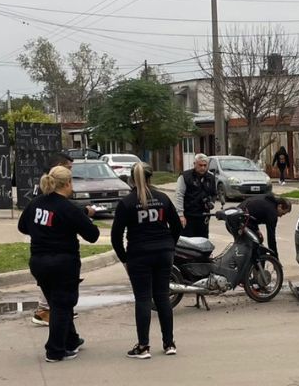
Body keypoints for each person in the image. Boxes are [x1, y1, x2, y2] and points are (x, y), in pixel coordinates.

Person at [17, 166, 100, 363]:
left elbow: (22, 226)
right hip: (63, 263)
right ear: (68, 183)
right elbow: (93, 235)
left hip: (39, 261)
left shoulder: (36, 203)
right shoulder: (68, 208)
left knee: (58, 303)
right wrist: (87, 216)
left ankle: (71, 340)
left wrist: (41, 231)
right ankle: (55, 350)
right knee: (62, 305)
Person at [112, 162, 181, 360]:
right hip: (163, 252)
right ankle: (169, 343)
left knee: (143, 299)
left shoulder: (126, 202)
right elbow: (176, 226)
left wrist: (124, 259)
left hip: (138, 254)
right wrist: (170, 245)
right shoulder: (162, 198)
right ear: (151, 177)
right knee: (162, 297)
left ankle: (143, 346)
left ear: (132, 179)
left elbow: (116, 236)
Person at [32, 153, 75, 327]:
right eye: (69, 169)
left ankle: (67, 335)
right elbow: (92, 234)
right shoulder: (54, 202)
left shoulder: (42, 202)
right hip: (53, 253)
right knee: (53, 286)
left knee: (51, 285)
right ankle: (44, 310)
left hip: (41, 252)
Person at [175, 153, 216, 239]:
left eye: (205, 165)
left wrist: (211, 203)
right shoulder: (185, 177)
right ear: (194, 164)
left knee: (203, 240)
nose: (203, 168)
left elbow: (213, 194)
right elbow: (179, 195)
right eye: (200, 165)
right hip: (188, 215)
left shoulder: (210, 177)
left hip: (204, 216)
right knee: (188, 241)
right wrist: (180, 215)